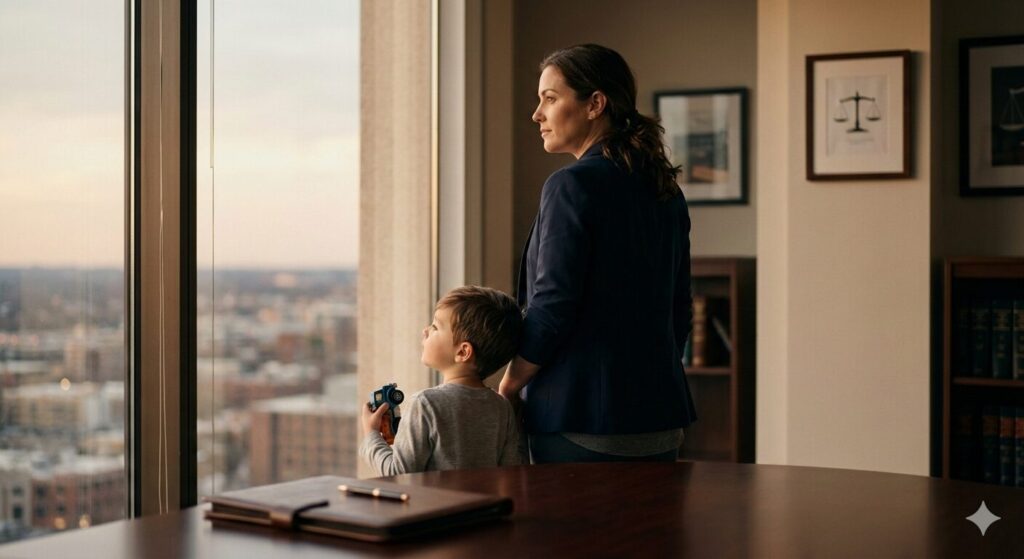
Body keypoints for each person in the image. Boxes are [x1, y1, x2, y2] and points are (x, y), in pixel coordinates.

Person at [498, 44, 697, 463]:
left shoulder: (570, 186)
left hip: (581, 423)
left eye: (550, 99)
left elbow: (552, 304)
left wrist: (510, 384)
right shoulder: (665, 190)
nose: (537, 114)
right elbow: (679, 309)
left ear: (595, 104)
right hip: (660, 421)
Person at [361, 285, 524, 475]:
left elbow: (398, 473)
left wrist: (371, 434)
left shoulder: (426, 404)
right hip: (484, 505)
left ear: (463, 352)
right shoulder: (502, 408)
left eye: (435, 327)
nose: (425, 331)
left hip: (440, 506)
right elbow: (511, 472)